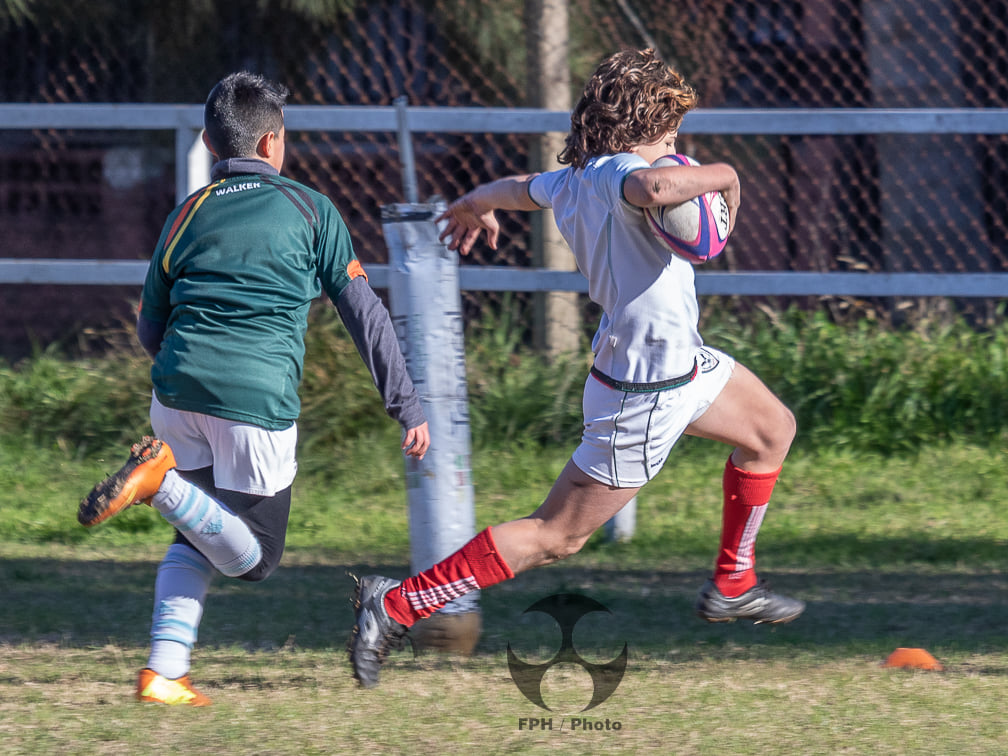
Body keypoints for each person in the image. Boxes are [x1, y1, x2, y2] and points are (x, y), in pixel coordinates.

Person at [347, 48, 802, 689]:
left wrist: (478, 201)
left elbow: (519, 189)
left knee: (771, 429)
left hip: (681, 368)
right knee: (554, 536)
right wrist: (724, 174)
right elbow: (655, 188)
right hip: (644, 391)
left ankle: (734, 582)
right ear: (646, 125)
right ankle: (394, 604)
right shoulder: (625, 171)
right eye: (672, 135)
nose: (678, 149)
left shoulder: (576, 177)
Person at [77, 71, 430, 706]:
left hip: (174, 395)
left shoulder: (186, 213)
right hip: (256, 403)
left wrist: (188, 377)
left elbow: (148, 327)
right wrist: (404, 403)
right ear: (271, 144)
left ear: (211, 145)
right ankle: (158, 484)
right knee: (255, 556)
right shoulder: (310, 208)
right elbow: (364, 314)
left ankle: (165, 672)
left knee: (197, 528)